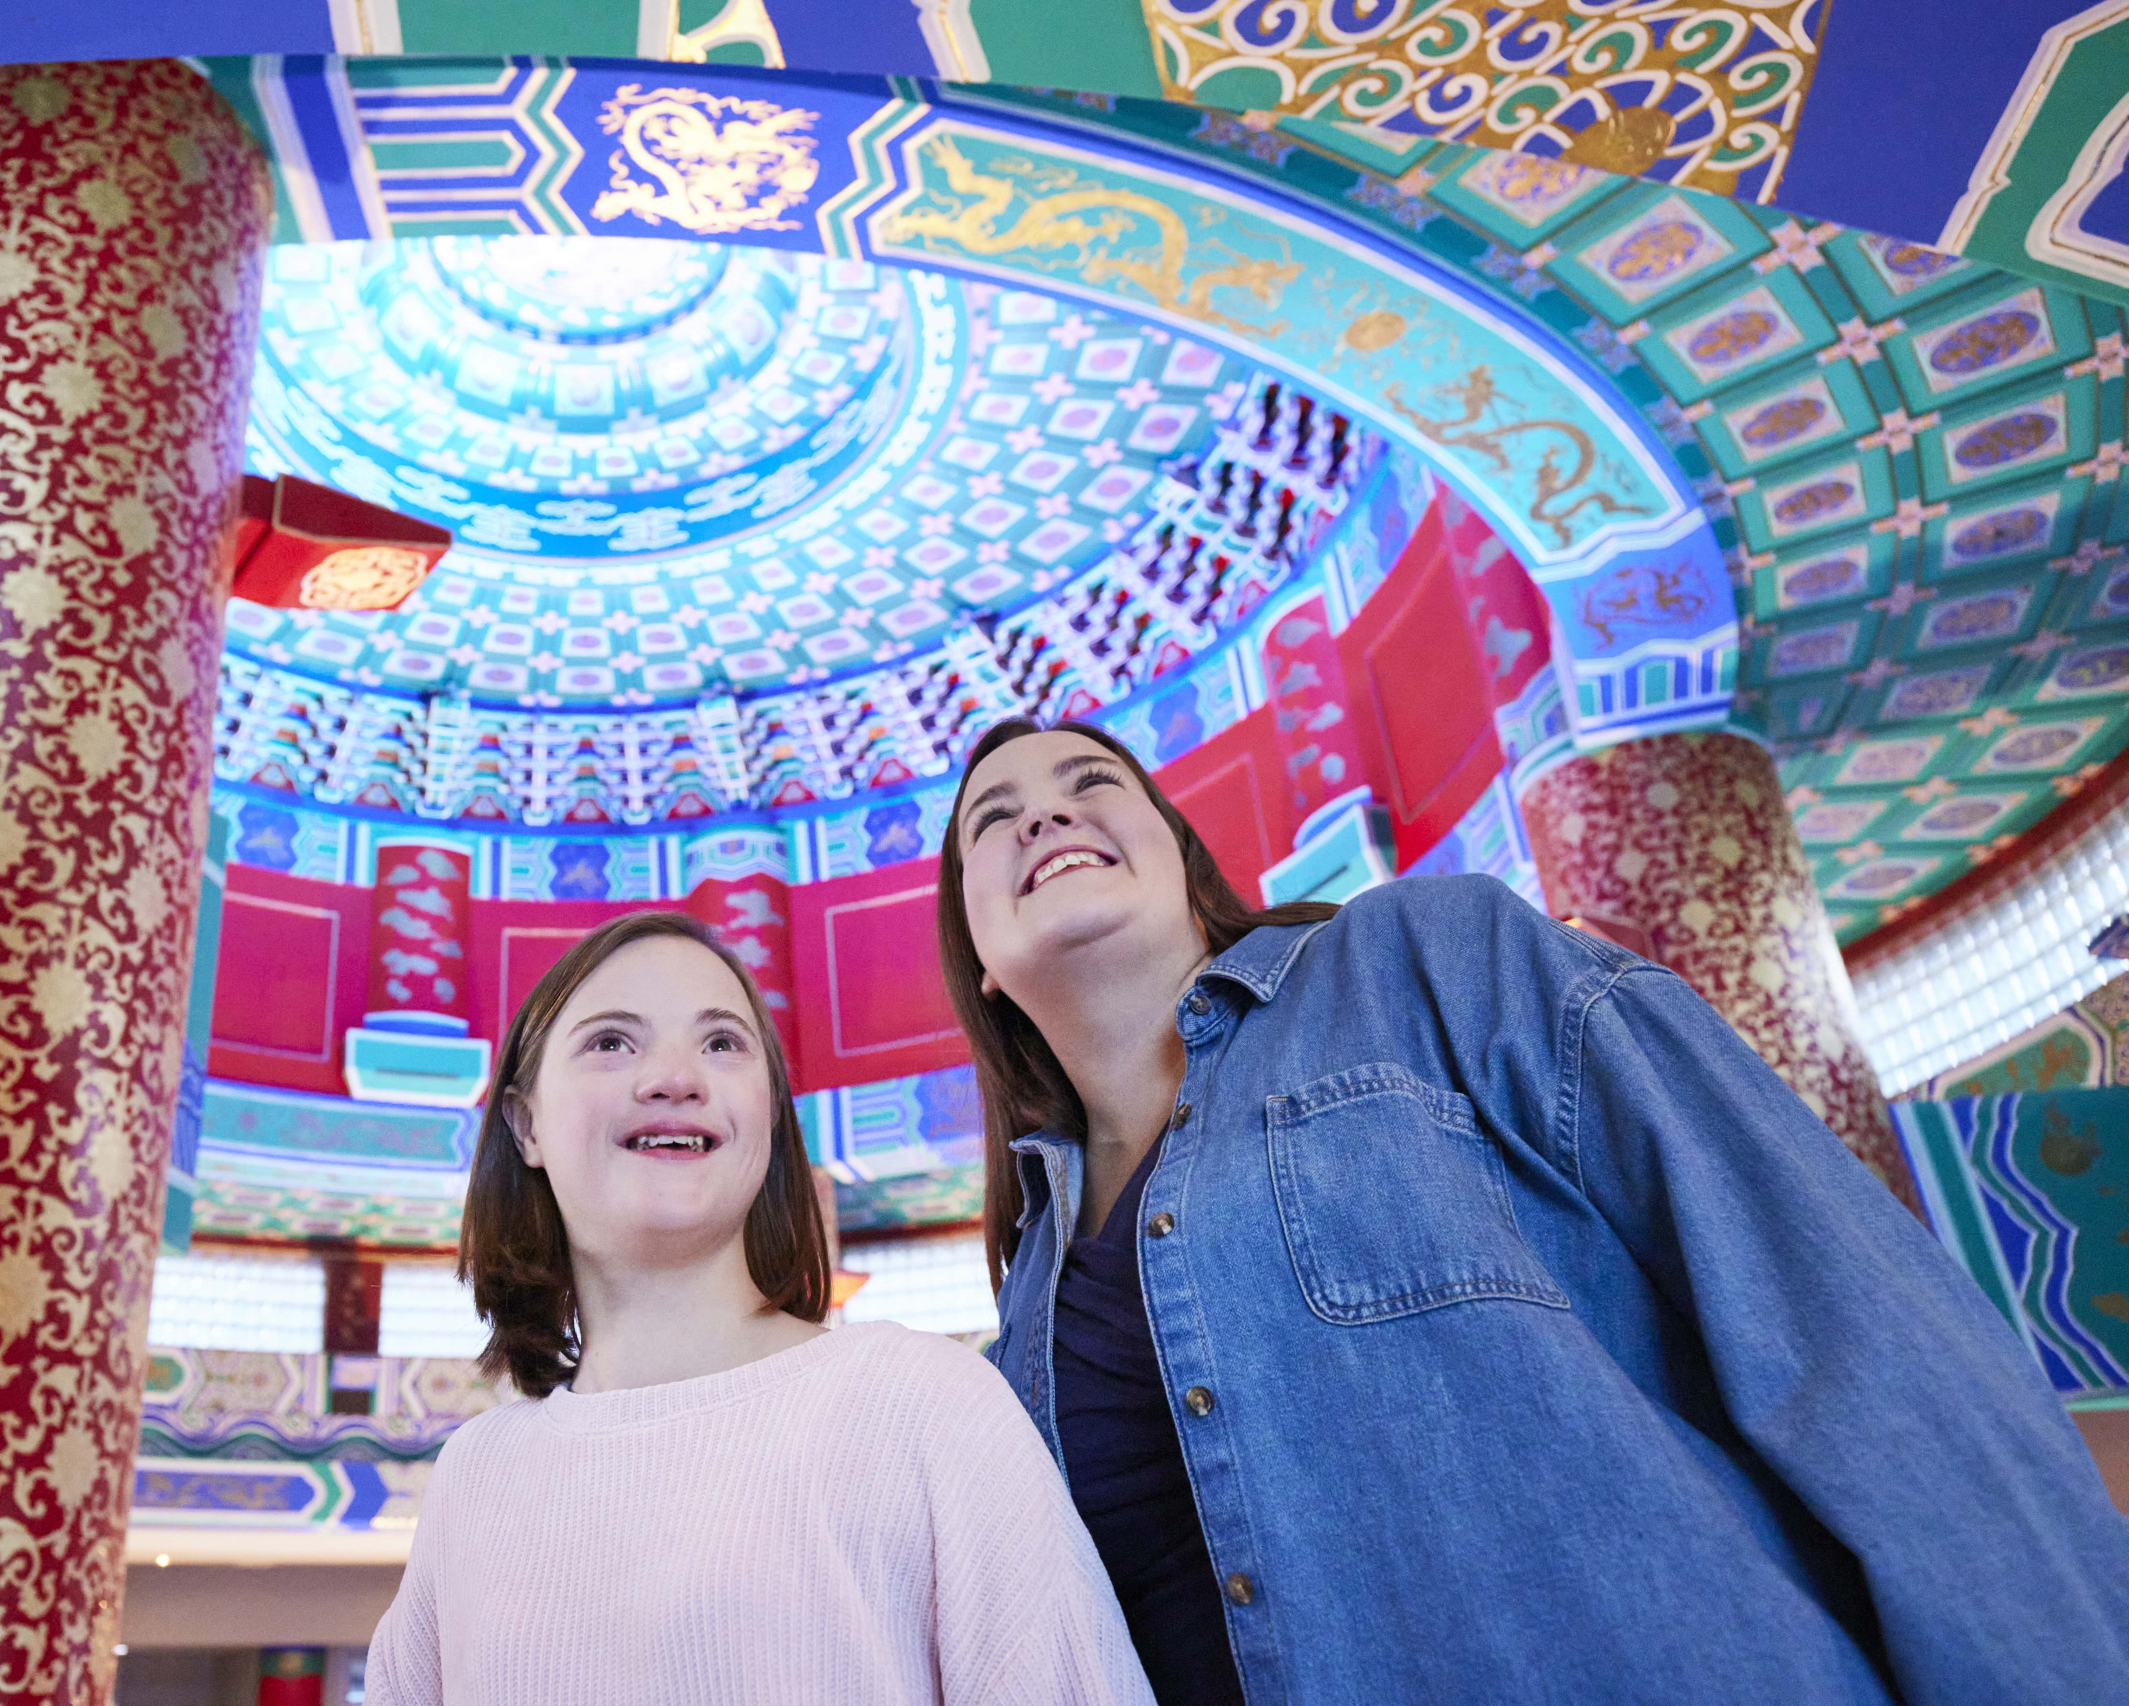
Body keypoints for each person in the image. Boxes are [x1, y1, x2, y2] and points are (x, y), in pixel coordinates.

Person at [937, 717, 2129, 1706]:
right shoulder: (1022, 1320)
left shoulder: (1428, 960)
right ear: (982, 961)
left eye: (1093, 782)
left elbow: (1851, 1329)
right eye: (995, 818)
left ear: (1184, 861)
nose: (1045, 815)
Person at [366, 909, 1153, 1706]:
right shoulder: (476, 1474)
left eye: (721, 1044)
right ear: (525, 1122)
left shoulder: (923, 1402)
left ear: (771, 1116)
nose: (676, 1077)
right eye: (611, 1042)